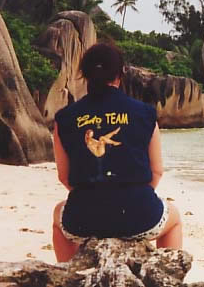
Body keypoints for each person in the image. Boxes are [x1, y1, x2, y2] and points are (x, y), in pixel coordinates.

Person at [52, 43, 182, 262]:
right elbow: (157, 172)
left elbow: (64, 177)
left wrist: (98, 196)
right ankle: (167, 276)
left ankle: (69, 276)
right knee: (175, 219)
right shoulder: (145, 113)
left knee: (59, 217)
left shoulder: (64, 118)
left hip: (83, 220)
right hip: (139, 216)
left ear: (85, 75)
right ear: (121, 73)